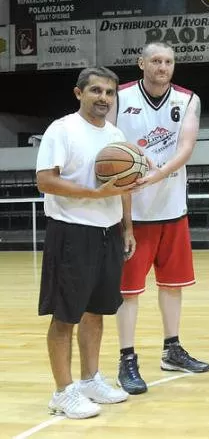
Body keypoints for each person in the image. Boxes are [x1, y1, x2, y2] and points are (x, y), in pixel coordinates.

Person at [36, 66, 134, 419]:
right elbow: (45, 180)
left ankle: (90, 379)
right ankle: (63, 392)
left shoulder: (115, 133)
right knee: (66, 316)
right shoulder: (62, 130)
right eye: (95, 91)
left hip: (108, 232)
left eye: (109, 92)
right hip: (72, 232)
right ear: (79, 94)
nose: (103, 98)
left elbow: (123, 184)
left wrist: (127, 227)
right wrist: (94, 194)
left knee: (97, 311)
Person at [111, 42, 209, 395]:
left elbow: (186, 147)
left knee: (172, 285)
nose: (162, 66)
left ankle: (172, 349)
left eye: (168, 61)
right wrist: (138, 161)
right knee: (129, 292)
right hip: (131, 212)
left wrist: (156, 172)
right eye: (155, 60)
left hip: (172, 209)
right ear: (141, 63)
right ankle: (127, 358)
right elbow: (109, 142)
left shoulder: (188, 99)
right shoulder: (120, 97)